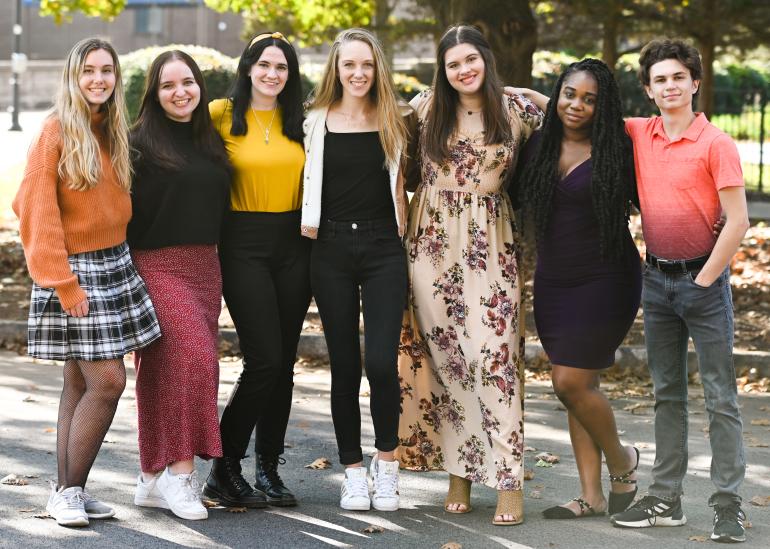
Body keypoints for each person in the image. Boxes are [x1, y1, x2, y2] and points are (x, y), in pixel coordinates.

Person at [396, 25, 542, 526]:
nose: (464, 70)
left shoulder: (517, 111)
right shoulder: (424, 109)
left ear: (486, 59)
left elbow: (579, 113)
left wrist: (533, 91)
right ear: (444, 69)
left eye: (471, 60)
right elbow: (395, 161)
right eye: (453, 63)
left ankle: (508, 478)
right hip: (430, 247)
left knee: (495, 358)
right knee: (448, 359)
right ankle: (459, 471)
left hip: (491, 245)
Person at [13, 37, 161, 527]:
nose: (98, 79)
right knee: (109, 380)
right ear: (73, 77)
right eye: (88, 71)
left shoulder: (111, 130)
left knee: (78, 381)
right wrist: (63, 283)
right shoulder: (55, 131)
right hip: (76, 271)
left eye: (106, 71)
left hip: (115, 261)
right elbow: (34, 211)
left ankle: (67, 489)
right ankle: (69, 490)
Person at [609, 39, 749, 544]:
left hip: (703, 284)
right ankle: (665, 498)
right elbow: (572, 106)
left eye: (678, 77)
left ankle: (728, 504)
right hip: (656, 282)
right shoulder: (639, 133)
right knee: (666, 394)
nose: (670, 86)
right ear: (648, 90)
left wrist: (705, 279)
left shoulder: (716, 144)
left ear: (695, 83)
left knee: (720, 398)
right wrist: (510, 90)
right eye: (659, 80)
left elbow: (738, 222)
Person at [514, 58, 641, 519]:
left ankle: (622, 460)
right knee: (576, 384)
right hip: (555, 279)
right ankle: (591, 494)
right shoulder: (537, 146)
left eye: (590, 99)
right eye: (570, 94)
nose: (577, 105)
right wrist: (523, 92)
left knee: (568, 380)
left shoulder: (617, 150)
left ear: (602, 107)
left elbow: (660, 192)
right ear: (559, 93)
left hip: (607, 278)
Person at [301, 28, 410, 512]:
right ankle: (352, 472)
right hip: (330, 249)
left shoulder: (398, 119)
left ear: (377, 68)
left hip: (385, 246)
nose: (359, 73)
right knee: (344, 366)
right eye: (350, 65)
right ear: (336, 69)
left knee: (383, 363)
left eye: (366, 65)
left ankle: (386, 465)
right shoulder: (314, 122)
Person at [203, 32, 310, 509]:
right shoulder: (219, 115)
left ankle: (268, 467)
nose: (272, 74)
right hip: (241, 244)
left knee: (283, 361)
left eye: (282, 67)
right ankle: (223, 466)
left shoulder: (302, 120)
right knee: (264, 358)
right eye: (264, 64)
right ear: (248, 66)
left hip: (294, 245)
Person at [127, 50, 231, 520]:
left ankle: (150, 476)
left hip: (206, 267)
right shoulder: (136, 144)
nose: (180, 92)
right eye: (168, 85)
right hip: (155, 264)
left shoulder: (211, 140)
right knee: (195, 359)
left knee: (165, 369)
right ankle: (180, 474)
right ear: (154, 92)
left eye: (187, 82)